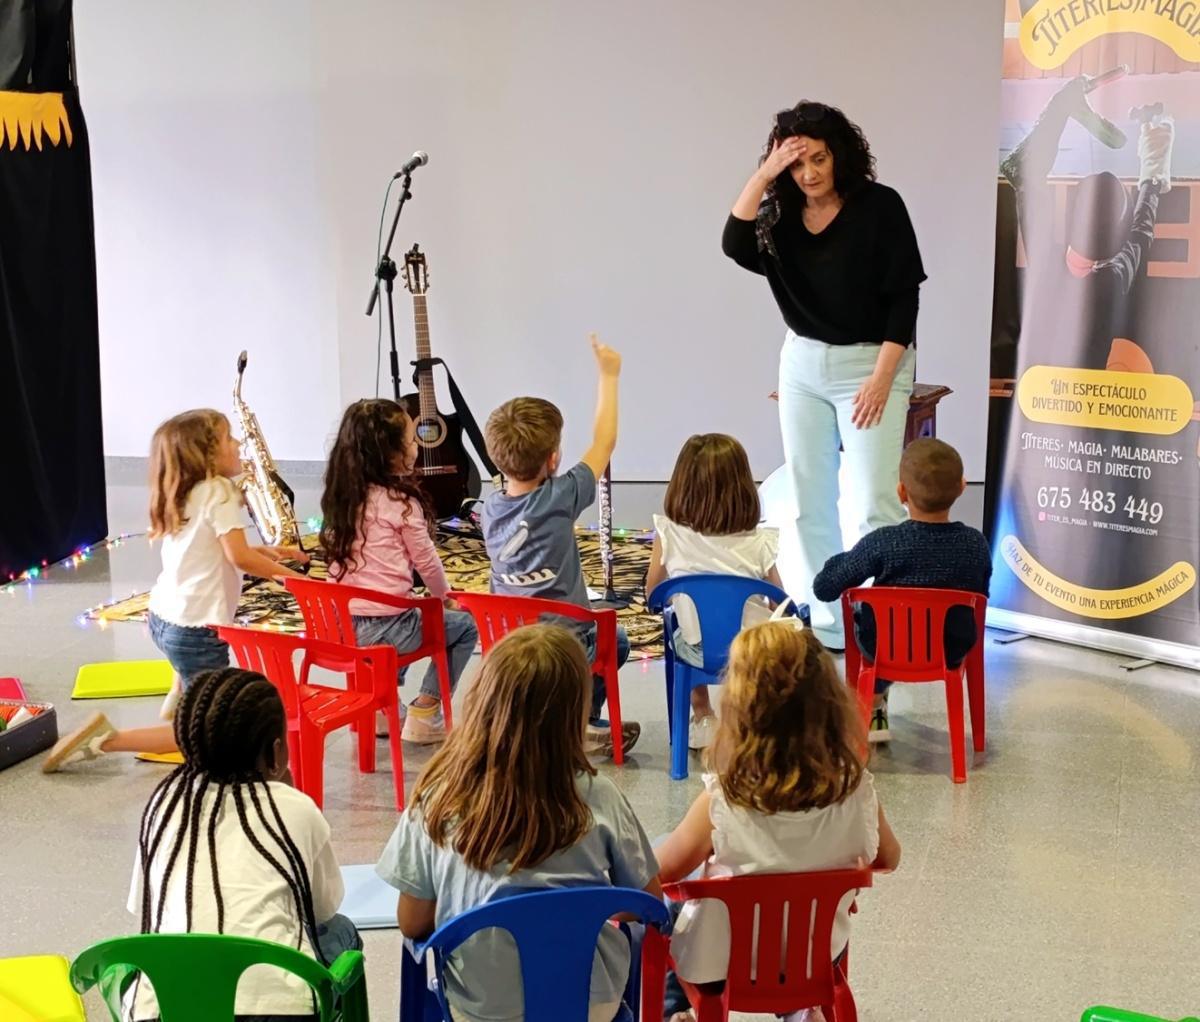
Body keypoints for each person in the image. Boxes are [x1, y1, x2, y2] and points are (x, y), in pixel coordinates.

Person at [376, 624, 660, 1022]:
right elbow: (646, 903)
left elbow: (412, 922)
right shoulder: (600, 795)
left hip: (483, 1009)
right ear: (575, 714)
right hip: (588, 1004)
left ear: (482, 701)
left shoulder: (438, 795)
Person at [722, 100, 926, 649]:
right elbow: (732, 242)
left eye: (818, 158)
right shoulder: (779, 217)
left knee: (871, 501)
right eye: (796, 164)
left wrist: (884, 378)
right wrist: (764, 173)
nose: (809, 173)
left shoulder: (880, 207)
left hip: (872, 360)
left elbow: (904, 298)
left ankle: (881, 624)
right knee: (810, 496)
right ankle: (829, 617)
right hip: (803, 363)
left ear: (840, 155)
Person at [656, 622, 900, 1022]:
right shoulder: (856, 793)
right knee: (803, 912)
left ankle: (674, 1009)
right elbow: (888, 858)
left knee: (669, 890)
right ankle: (801, 1009)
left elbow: (662, 874)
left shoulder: (722, 801)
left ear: (738, 712)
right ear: (829, 709)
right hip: (813, 959)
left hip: (723, 966)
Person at [43, 409, 307, 771]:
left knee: (191, 679)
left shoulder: (187, 490)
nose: (237, 444)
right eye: (229, 438)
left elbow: (212, 548)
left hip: (163, 618)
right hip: (197, 631)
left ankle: (178, 698)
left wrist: (267, 552)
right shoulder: (220, 491)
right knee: (203, 734)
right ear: (208, 454)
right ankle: (106, 740)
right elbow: (238, 557)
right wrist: (289, 578)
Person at [125, 667, 360, 1022]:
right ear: (278, 751)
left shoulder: (162, 802)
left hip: (162, 1009)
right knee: (342, 931)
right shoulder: (294, 808)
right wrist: (286, 786)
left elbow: (140, 907)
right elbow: (324, 909)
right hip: (274, 1014)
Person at [480, 334, 639, 758]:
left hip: (508, 645)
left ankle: (531, 718)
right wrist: (609, 375)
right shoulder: (559, 498)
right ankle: (580, 722)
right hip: (564, 646)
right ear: (553, 459)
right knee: (617, 639)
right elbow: (604, 442)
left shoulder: (488, 508)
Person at [319, 399, 478, 743]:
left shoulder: (341, 497)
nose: (417, 445)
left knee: (408, 608)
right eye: (410, 440)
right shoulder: (401, 503)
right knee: (462, 626)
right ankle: (425, 711)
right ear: (389, 453)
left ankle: (380, 709)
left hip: (341, 628)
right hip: (388, 630)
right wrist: (446, 597)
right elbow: (427, 562)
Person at [812, 438, 992, 743]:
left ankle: (875, 703)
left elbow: (825, 588)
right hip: (951, 648)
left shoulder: (882, 542)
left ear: (901, 493)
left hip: (884, 648)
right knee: (901, 628)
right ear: (963, 487)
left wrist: (840, 560)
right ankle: (879, 705)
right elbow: (981, 591)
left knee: (877, 626)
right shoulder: (974, 544)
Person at [999, 72, 1175, 372]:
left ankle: (1062, 105)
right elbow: (1141, 229)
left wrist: (1058, 110)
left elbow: (1024, 176)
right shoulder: (1111, 279)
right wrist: (1153, 169)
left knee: (1028, 185)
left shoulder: (1049, 268)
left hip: (1040, 402)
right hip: (1079, 401)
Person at [645, 433, 783, 750]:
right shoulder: (759, 540)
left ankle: (703, 714)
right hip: (754, 650)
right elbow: (780, 600)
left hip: (698, 649)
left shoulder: (669, 534)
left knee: (683, 624)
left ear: (681, 486)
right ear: (744, 488)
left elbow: (653, 593)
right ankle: (752, 719)